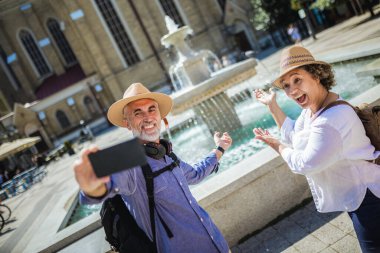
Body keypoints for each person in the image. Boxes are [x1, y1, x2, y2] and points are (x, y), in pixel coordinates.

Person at [74, 83, 232, 253]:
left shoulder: (167, 154)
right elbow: (105, 185)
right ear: (127, 123)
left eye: (151, 109)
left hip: (216, 243)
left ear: (160, 116)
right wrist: (92, 188)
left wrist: (219, 149)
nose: (148, 117)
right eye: (138, 112)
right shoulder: (129, 162)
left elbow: (195, 174)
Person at [253, 45, 380, 253]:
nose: (292, 90)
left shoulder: (331, 119)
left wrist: (276, 145)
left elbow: (306, 164)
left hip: (370, 197)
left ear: (316, 75)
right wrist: (272, 106)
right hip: (359, 196)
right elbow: (294, 135)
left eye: (297, 79)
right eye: (285, 85)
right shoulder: (313, 111)